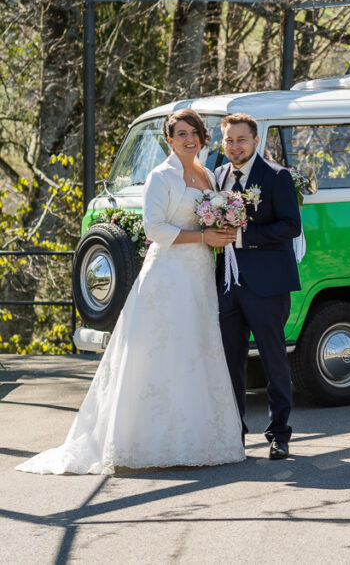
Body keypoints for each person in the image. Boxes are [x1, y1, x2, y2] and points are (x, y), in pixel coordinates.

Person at [17, 109, 244, 475]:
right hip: (167, 275)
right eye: (181, 133)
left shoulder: (207, 176)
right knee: (160, 352)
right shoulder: (160, 176)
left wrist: (223, 226)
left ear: (202, 137)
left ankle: (197, 440)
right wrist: (204, 236)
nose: (189, 139)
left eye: (194, 133)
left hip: (199, 274)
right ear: (169, 140)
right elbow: (155, 229)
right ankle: (146, 442)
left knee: (195, 350)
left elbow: (210, 219)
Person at [215, 113, 302, 461]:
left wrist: (243, 237)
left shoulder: (277, 176)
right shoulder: (217, 176)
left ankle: (279, 434)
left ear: (255, 141)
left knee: (273, 360)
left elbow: (291, 226)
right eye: (229, 140)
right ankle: (233, 432)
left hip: (267, 285)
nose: (235, 146)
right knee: (230, 362)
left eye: (241, 140)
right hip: (226, 286)